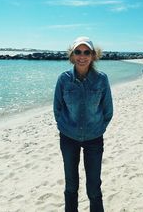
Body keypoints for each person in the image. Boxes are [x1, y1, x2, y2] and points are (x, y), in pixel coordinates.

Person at [53, 36, 113, 212]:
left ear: (93, 55)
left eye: (87, 52)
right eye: (78, 52)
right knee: (71, 186)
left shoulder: (102, 79)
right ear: (72, 55)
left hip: (94, 139)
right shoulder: (63, 79)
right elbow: (57, 108)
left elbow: (107, 111)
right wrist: (64, 127)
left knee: (94, 188)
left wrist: (98, 128)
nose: (82, 56)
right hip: (68, 138)